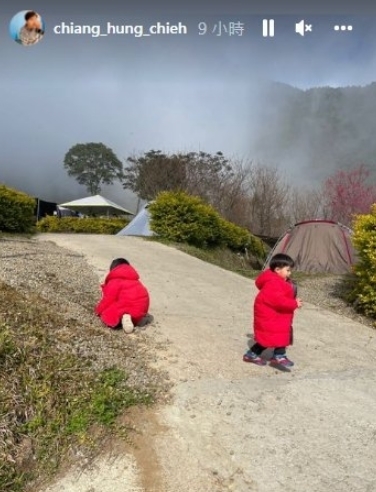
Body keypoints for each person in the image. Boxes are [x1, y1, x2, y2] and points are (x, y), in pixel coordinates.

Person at [243, 253, 302, 367]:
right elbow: (279, 301)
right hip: (271, 317)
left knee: (273, 337)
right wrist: (294, 303)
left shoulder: (278, 280)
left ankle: (254, 354)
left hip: (274, 316)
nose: (290, 273)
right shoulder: (274, 283)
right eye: (288, 270)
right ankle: (279, 355)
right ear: (277, 269)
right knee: (274, 337)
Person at [95, 258, 153, 333]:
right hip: (141, 310)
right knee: (127, 303)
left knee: (108, 313)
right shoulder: (134, 279)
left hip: (128, 307)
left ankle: (125, 316)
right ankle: (133, 319)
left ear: (113, 270)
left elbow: (108, 299)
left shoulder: (115, 280)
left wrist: (98, 310)